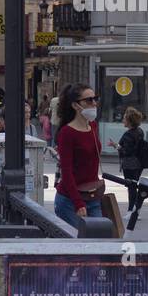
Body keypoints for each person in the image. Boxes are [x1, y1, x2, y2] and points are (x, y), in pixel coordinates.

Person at [53, 83, 103, 229]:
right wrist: (78, 202)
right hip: (70, 200)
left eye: (95, 99)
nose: (94, 103)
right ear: (75, 106)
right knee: (81, 245)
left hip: (92, 195)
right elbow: (66, 172)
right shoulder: (67, 133)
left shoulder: (92, 126)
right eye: (88, 100)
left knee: (98, 243)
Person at [116, 107, 147, 210]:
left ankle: (132, 210)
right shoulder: (140, 131)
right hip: (139, 163)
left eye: (124, 118)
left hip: (130, 164)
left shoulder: (128, 135)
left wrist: (117, 147)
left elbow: (127, 151)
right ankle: (135, 209)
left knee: (131, 188)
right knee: (134, 186)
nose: (123, 120)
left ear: (129, 121)